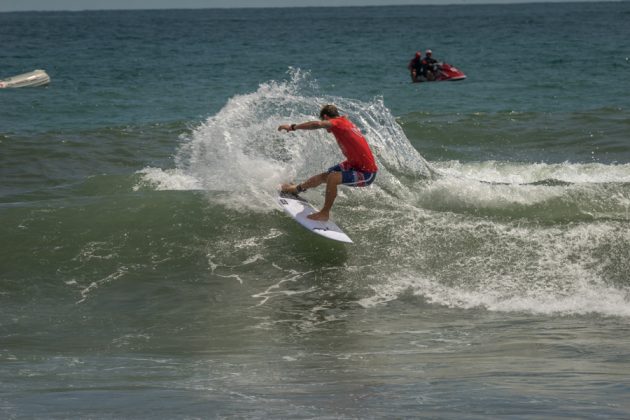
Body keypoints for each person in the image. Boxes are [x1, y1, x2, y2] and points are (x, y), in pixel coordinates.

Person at [277, 104, 378, 222]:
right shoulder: (343, 122)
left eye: (324, 121)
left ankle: (325, 213)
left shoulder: (338, 122)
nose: (326, 129)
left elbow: (317, 124)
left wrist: (292, 127)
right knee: (325, 175)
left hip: (366, 172)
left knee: (333, 178)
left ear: (325, 117)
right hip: (353, 164)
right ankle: (296, 189)